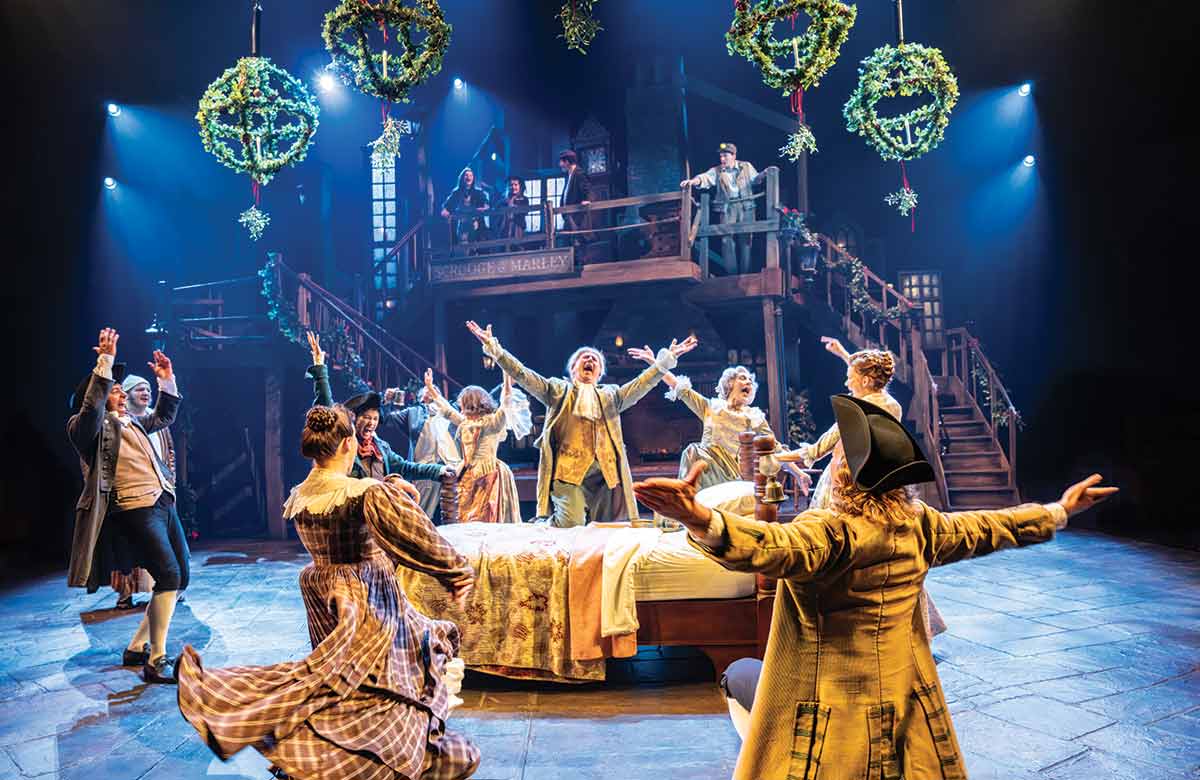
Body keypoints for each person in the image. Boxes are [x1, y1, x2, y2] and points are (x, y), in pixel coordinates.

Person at [633, 395, 1118, 780]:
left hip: (831, 716)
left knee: (740, 673)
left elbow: (770, 545)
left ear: (844, 476)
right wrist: (1060, 510)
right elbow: (992, 526)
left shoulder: (831, 532)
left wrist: (701, 519)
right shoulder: (920, 524)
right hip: (905, 704)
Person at [177, 404, 480, 780]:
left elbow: (353, 505)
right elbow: (416, 535)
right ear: (348, 444)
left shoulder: (302, 493)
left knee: (343, 680)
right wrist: (456, 570)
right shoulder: (364, 493)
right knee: (380, 683)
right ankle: (366, 756)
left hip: (325, 590)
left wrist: (387, 487)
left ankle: (323, 751)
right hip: (366, 595)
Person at [466, 319, 697, 526]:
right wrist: (495, 349)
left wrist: (665, 360)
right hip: (569, 472)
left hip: (606, 475)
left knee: (607, 530)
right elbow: (523, 374)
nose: (590, 359)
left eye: (595, 359)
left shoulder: (611, 396)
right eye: (583, 357)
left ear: (599, 373)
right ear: (573, 369)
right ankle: (544, 526)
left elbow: (641, 384)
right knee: (571, 523)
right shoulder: (558, 391)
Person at [67, 328, 189, 684]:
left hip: (161, 501)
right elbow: (92, 409)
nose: (121, 393)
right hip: (134, 507)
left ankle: (137, 647)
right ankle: (156, 659)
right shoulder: (87, 428)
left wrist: (166, 380)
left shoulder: (131, 421)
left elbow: (163, 417)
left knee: (180, 575)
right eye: (115, 389)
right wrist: (104, 361)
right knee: (168, 575)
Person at [627, 359, 810, 494]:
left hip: (732, 472)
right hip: (706, 470)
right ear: (730, 384)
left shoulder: (754, 417)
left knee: (695, 452)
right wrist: (655, 363)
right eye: (743, 378)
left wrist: (799, 474)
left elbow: (775, 448)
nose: (748, 382)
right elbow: (678, 386)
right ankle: (686, 497)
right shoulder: (711, 407)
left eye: (750, 381)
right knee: (693, 451)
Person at [306, 332, 454, 489]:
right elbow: (326, 407)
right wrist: (320, 368)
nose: (371, 423)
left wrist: (439, 470)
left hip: (374, 502)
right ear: (355, 418)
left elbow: (406, 468)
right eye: (367, 417)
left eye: (375, 419)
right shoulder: (344, 442)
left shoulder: (380, 447)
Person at [793, 338, 902, 510]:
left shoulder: (859, 409)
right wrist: (844, 354)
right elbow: (863, 375)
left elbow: (819, 449)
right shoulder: (893, 405)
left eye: (849, 378)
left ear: (865, 381)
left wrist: (778, 457)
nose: (846, 383)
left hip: (851, 484)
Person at [423, 369, 531, 524]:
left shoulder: (491, 423)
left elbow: (505, 404)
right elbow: (447, 410)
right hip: (467, 473)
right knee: (464, 515)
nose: (460, 406)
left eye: (463, 402)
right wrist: (431, 388)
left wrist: (507, 381)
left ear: (471, 404)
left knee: (485, 515)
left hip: (487, 473)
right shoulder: (465, 423)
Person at [109, 373, 178, 609]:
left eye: (148, 389)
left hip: (159, 493)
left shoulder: (143, 420)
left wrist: (167, 382)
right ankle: (127, 592)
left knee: (169, 555)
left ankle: (167, 590)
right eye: (139, 390)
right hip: (128, 498)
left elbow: (166, 430)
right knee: (128, 551)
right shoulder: (110, 423)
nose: (146, 393)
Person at [681, 142, 768, 274]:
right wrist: (692, 181)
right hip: (727, 208)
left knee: (746, 239)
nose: (722, 159)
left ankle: (745, 273)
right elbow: (705, 178)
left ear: (734, 156)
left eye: (725, 156)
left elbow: (755, 179)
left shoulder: (746, 166)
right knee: (727, 240)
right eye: (721, 156)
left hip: (746, 206)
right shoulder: (717, 171)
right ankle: (731, 274)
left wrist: (764, 173)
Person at [381, 383, 463, 522]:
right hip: (425, 469)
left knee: (456, 514)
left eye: (434, 389)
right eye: (427, 389)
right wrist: (386, 401)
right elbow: (387, 418)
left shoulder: (452, 409)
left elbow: (477, 405)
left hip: (453, 467)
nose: (431, 390)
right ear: (420, 398)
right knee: (422, 515)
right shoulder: (412, 413)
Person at [440, 166, 490, 245]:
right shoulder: (456, 192)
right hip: (463, 222)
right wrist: (445, 210)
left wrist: (485, 206)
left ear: (473, 178)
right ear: (462, 178)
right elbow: (447, 204)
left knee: (475, 245)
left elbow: (486, 202)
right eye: (466, 175)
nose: (468, 177)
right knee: (463, 244)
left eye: (471, 175)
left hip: (475, 222)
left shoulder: (478, 192)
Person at [557, 150, 591, 245]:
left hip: (576, 215)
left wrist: (586, 199)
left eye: (561, 162)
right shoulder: (569, 175)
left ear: (567, 162)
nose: (559, 164)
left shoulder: (579, 173)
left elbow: (587, 188)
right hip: (569, 215)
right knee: (568, 242)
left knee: (576, 242)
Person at [494, 175, 529, 245]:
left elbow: (525, 212)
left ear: (520, 186)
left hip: (518, 228)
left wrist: (513, 207)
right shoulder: (503, 200)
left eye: (515, 185)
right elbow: (496, 209)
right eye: (511, 185)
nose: (513, 187)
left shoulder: (524, 199)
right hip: (504, 229)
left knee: (517, 246)